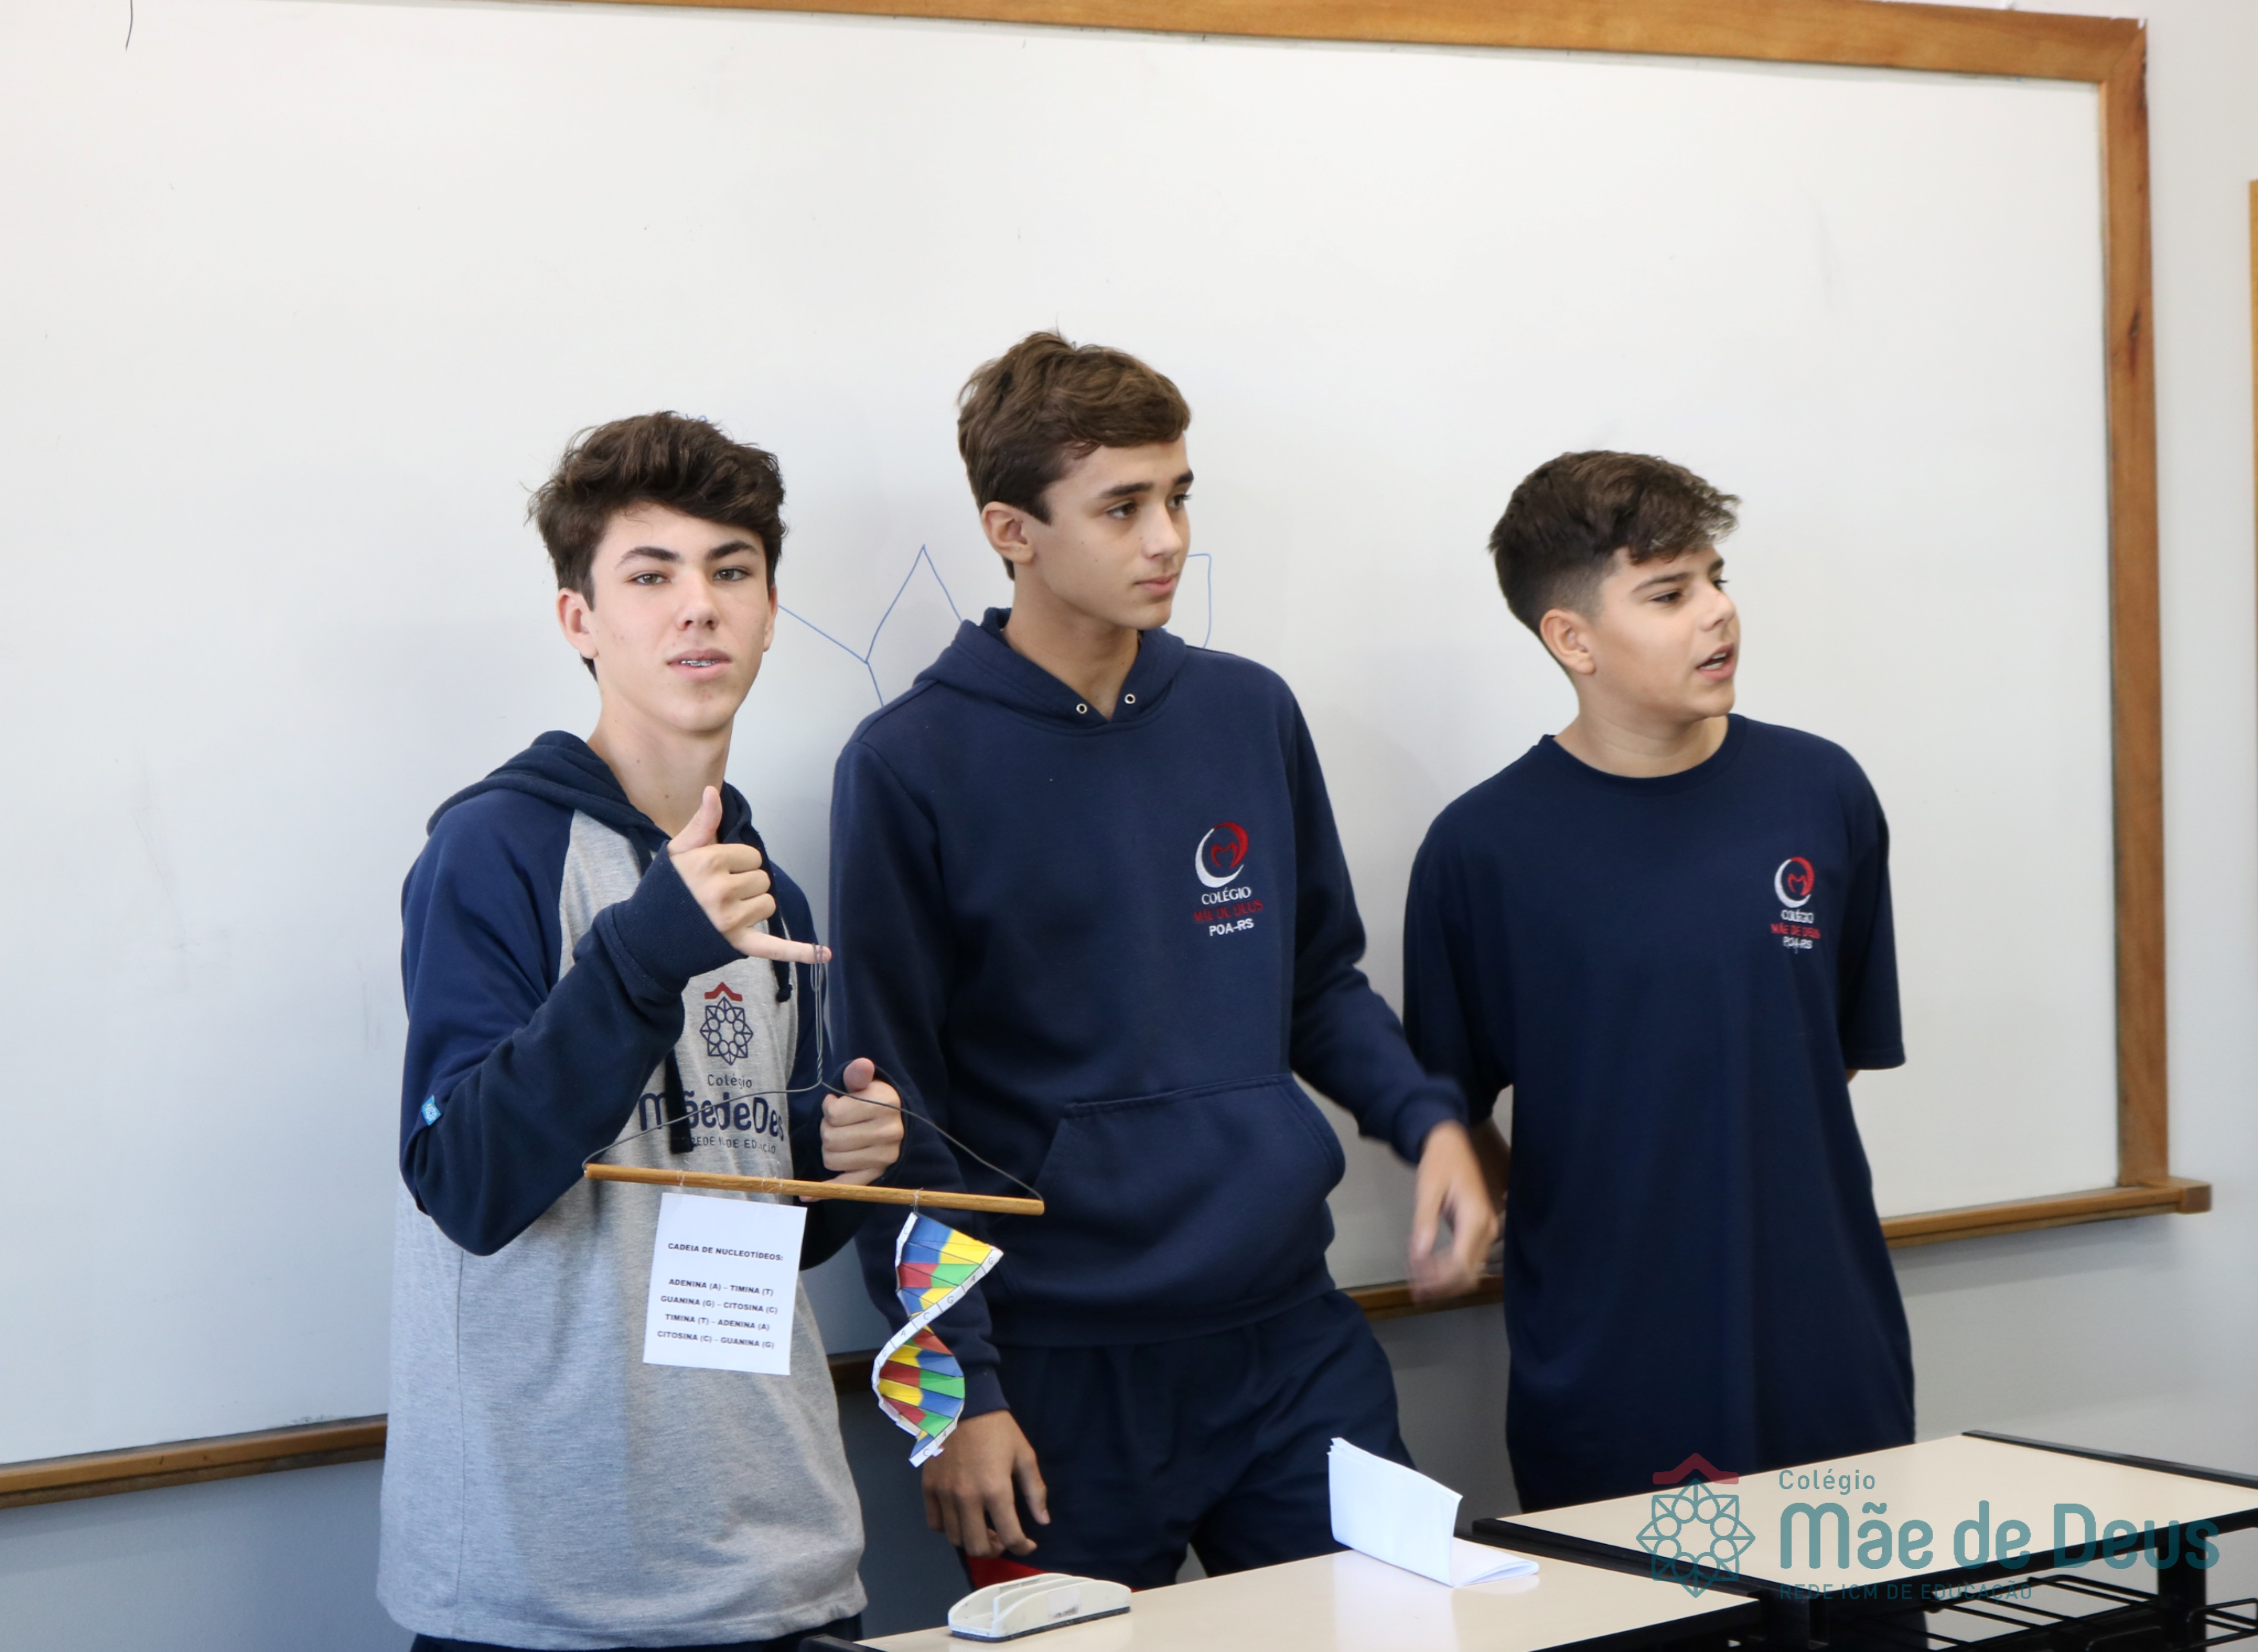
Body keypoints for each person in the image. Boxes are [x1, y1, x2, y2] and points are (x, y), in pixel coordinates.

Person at [827, 332, 1497, 1589]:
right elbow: (895, 1114)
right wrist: (955, 1393)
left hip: (1291, 1339)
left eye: (1179, 497)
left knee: (1405, 1627)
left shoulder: (1248, 712)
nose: (1168, 539)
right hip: (1052, 1379)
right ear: (1012, 531)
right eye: (1123, 506)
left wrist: (1430, 1122)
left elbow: (1316, 983)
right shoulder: (908, 764)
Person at [379, 412, 906, 1651]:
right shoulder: (495, 850)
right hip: (546, 1587)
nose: (699, 607)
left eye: (732, 571)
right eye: (652, 576)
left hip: (779, 1562)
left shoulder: (767, 889)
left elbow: (738, 1208)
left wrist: (831, 1163)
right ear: (581, 620)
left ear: (770, 612)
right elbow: (467, 1182)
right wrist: (646, 949)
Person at [1401, 451, 1912, 1513]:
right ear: (1572, 639)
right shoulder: (1481, 851)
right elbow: (1453, 1110)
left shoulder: (1821, 792)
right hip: (1611, 1371)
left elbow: (1829, 1055)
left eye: (1717, 579)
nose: (1718, 613)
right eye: (1670, 594)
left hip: (1827, 1345)